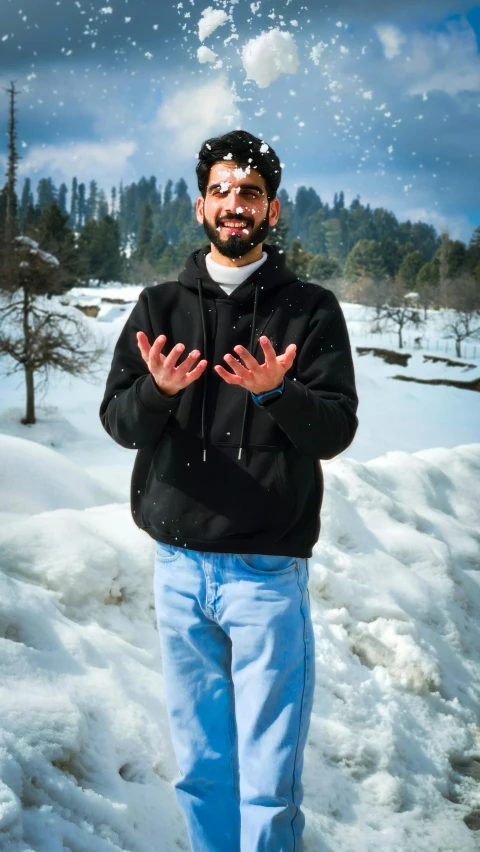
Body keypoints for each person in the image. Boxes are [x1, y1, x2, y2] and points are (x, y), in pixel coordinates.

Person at [100, 130, 358, 852]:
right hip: (178, 572)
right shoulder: (156, 308)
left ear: (272, 209)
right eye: (221, 190)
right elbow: (119, 423)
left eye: (249, 192)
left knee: (270, 781)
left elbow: (334, 430)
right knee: (202, 769)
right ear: (199, 205)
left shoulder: (310, 310)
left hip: (267, 575)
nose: (233, 204)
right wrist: (155, 393)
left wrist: (280, 394)